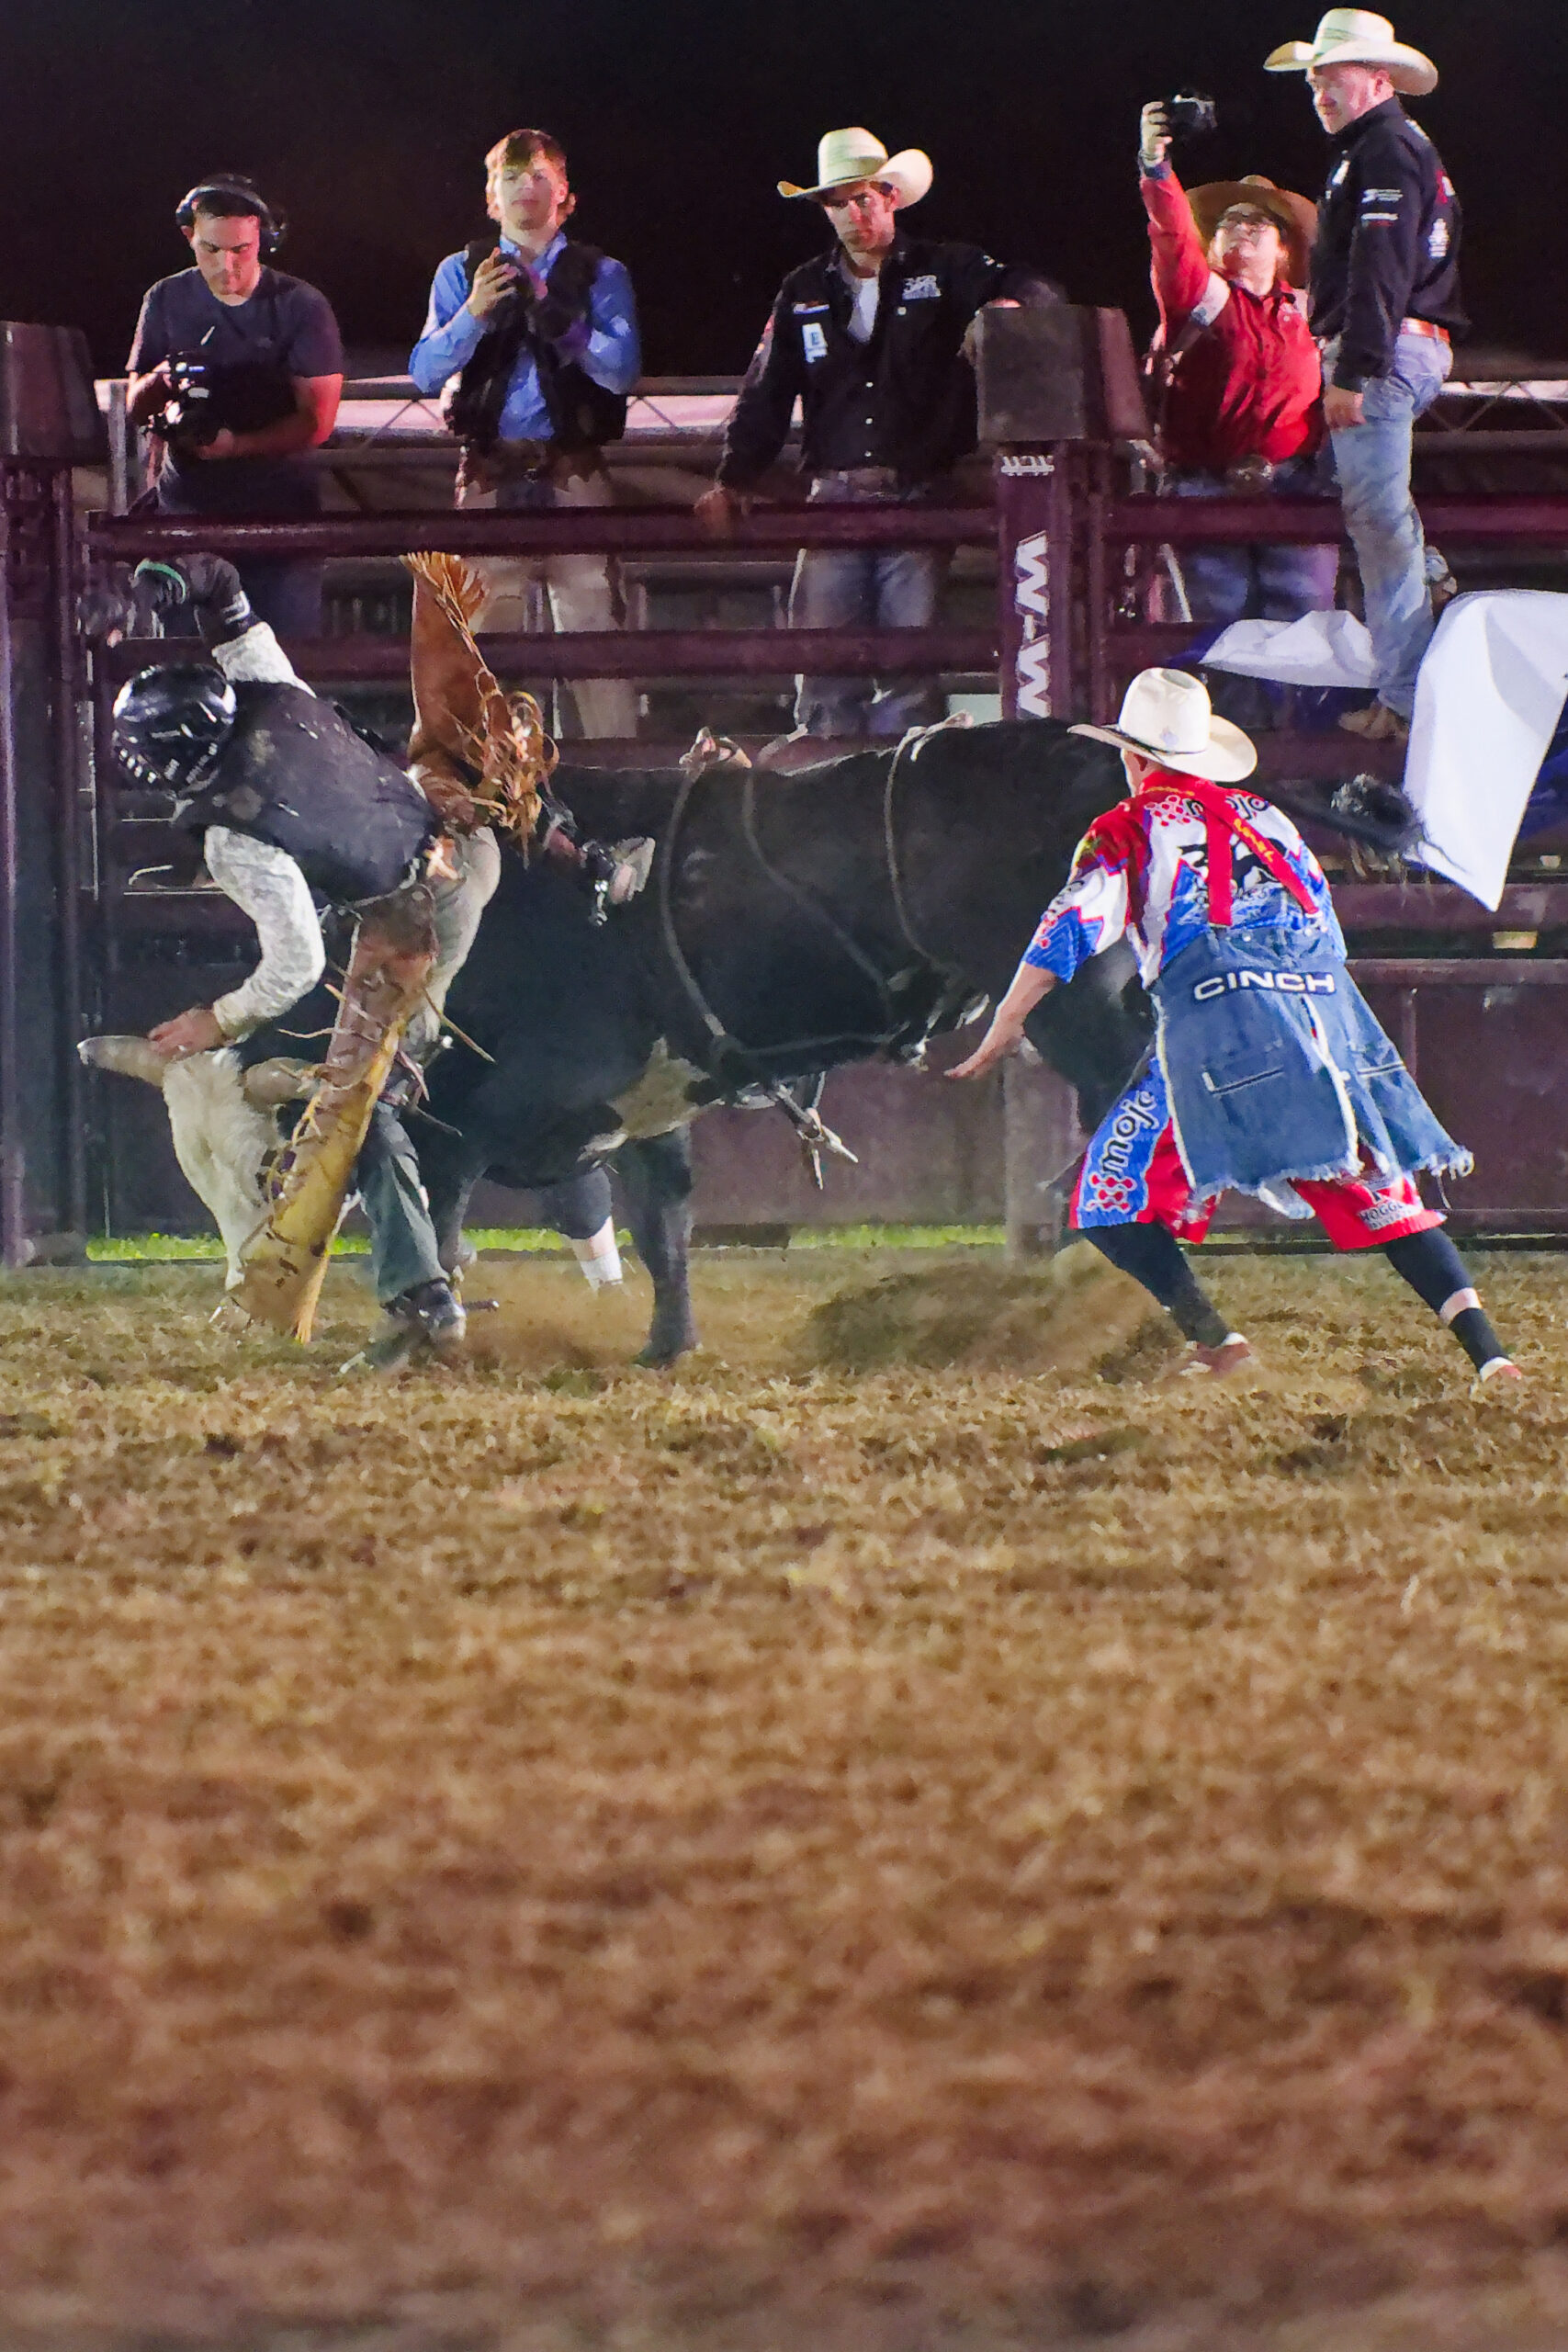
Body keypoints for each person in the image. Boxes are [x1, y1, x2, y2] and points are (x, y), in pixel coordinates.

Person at [949, 668, 1518, 1386]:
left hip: (1217, 1032)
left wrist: (1005, 1019)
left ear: (1132, 758)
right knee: (1386, 1201)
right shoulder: (1267, 820)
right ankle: (1491, 1357)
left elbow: (1071, 924)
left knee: (1107, 1197)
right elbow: (1324, 931)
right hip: (1323, 1026)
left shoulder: (1126, 829)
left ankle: (1218, 1342)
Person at [696, 128, 1056, 763]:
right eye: (838, 202)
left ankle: (891, 786)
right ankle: (832, 782)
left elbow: (1035, 288)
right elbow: (767, 391)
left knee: (904, 664)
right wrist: (735, 474)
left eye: (863, 198)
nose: (853, 214)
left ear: (890, 196)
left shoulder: (944, 268)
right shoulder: (803, 290)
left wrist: (999, 309)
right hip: (836, 495)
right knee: (826, 662)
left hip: (914, 490)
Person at [1265, 10, 1464, 744]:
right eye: (1313, 81)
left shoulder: (1380, 150)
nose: (1318, 92)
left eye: (1331, 78)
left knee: (1376, 522)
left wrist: (1352, 368)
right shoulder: (1390, 147)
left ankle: (1403, 701)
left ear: (1377, 80)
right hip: (1400, 346)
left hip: (1381, 352)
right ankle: (1428, 581)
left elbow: (1380, 264)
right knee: (1351, 494)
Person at [409, 128, 641, 741]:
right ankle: (491, 781)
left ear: (565, 194)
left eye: (539, 177)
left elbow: (621, 371)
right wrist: (473, 314)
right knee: (485, 650)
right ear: (491, 197)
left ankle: (615, 774)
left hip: (574, 467)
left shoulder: (600, 273)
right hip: (490, 470)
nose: (524, 189)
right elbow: (424, 372)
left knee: (596, 642)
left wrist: (559, 320)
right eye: (511, 178)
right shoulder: (461, 272)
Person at [1136, 102, 1337, 645]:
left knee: (1303, 635)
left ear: (1283, 250)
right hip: (1207, 485)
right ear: (1213, 244)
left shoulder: (1312, 314)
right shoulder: (1199, 298)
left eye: (1258, 224)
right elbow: (1171, 235)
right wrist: (1156, 169)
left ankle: (1293, 706)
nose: (1242, 229)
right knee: (1221, 635)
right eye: (1229, 223)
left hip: (1296, 485)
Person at [127, 177, 344, 639]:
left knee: (283, 663)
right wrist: (165, 378)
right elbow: (135, 404)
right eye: (211, 250)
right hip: (187, 515)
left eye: (241, 250)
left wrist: (237, 445)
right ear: (190, 237)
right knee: (187, 666)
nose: (227, 265)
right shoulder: (164, 299)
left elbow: (317, 422)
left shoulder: (301, 306)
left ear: (263, 238)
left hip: (280, 523)